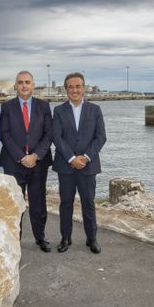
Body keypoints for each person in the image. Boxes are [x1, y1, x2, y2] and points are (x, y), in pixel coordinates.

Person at [51, 72, 106, 254]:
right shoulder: (58, 111)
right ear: (66, 90)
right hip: (65, 166)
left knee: (88, 203)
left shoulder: (95, 110)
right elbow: (57, 138)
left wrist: (86, 157)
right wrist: (72, 158)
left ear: (84, 88)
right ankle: (65, 238)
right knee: (65, 202)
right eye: (71, 87)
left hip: (88, 166)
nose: (75, 90)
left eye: (78, 86)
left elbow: (101, 137)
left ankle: (92, 238)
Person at [0, 70, 53, 252]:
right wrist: (21, 157)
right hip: (14, 163)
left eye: (27, 82)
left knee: (38, 204)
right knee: (15, 204)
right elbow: (5, 135)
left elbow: (48, 134)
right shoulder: (6, 107)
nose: (24, 85)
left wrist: (36, 155)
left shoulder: (44, 106)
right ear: (15, 86)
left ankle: (40, 237)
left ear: (32, 85)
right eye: (20, 82)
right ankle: (15, 240)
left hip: (39, 163)